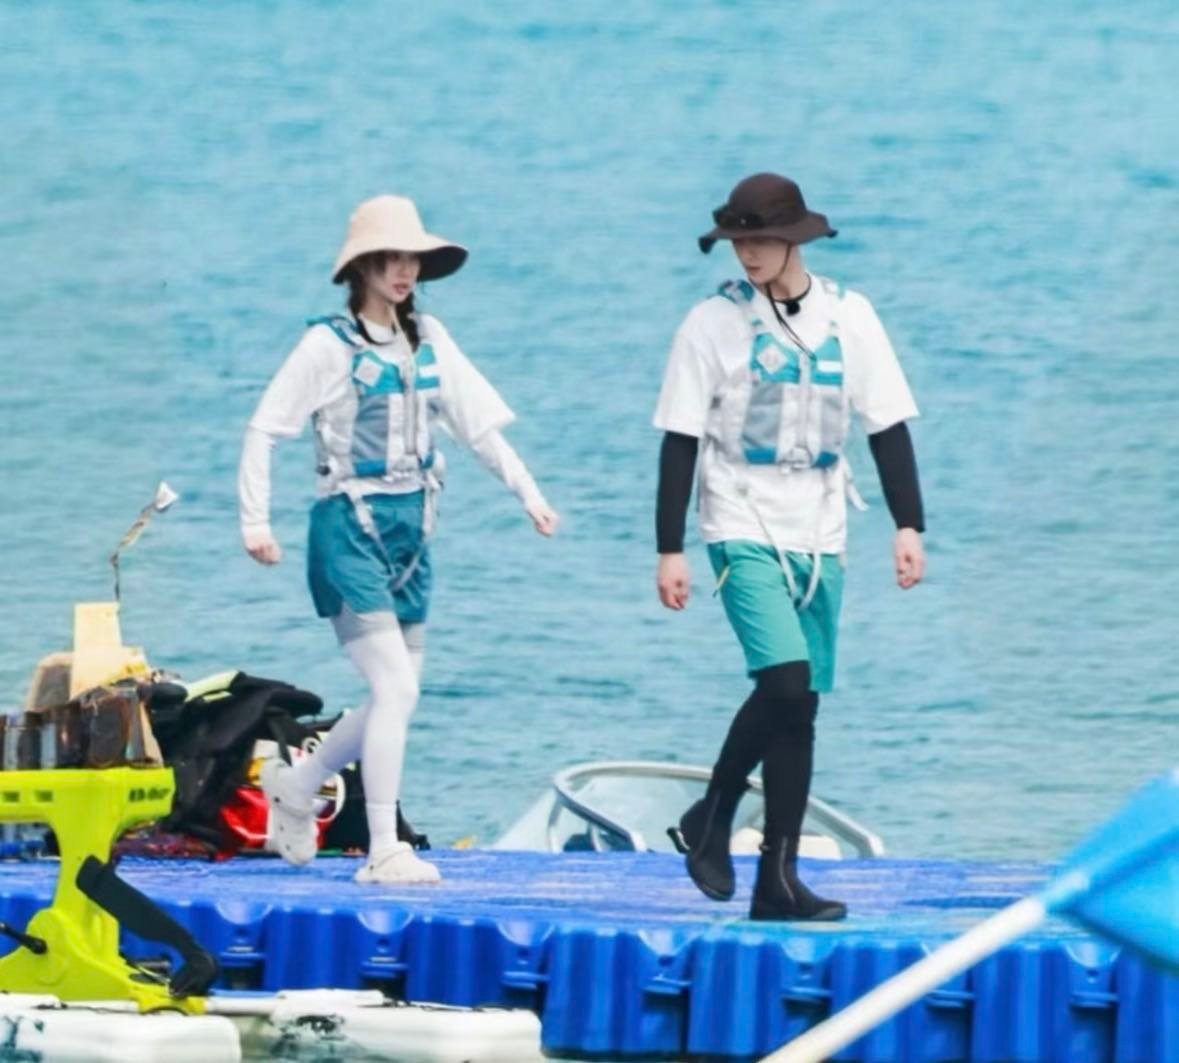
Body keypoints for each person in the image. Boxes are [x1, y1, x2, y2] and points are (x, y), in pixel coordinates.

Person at [239, 194, 558, 884]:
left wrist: (529, 493)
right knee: (395, 688)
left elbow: (477, 426)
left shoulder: (429, 337)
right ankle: (383, 846)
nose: (404, 270)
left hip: (413, 533)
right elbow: (265, 427)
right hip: (348, 530)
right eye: (389, 258)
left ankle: (298, 785)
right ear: (361, 267)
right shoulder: (327, 345)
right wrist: (255, 521)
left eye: (411, 257)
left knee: (399, 691)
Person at [653, 173, 925, 920]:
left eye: (762, 240)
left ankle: (777, 880)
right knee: (782, 681)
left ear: (794, 239)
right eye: (737, 242)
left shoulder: (849, 316)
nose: (747, 255)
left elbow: (886, 424)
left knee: (799, 707)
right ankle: (713, 812)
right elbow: (679, 438)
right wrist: (669, 547)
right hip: (739, 521)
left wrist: (907, 524)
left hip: (821, 531)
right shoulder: (710, 324)